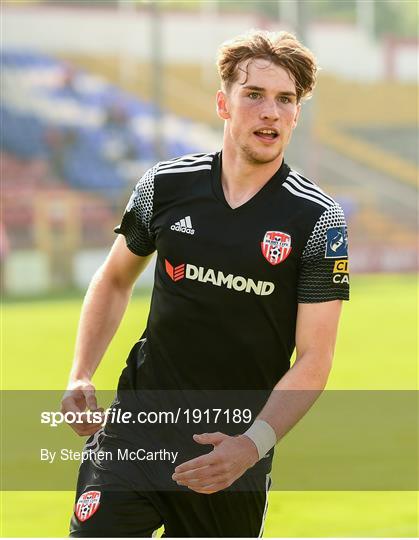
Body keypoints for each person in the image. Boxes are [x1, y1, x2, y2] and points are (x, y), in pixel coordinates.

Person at [62, 30, 349, 538]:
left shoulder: (318, 219)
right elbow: (112, 279)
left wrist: (251, 445)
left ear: (297, 114)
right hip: (136, 428)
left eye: (286, 100)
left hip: (227, 448)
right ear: (223, 103)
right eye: (254, 95)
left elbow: (315, 358)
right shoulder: (164, 186)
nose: (271, 112)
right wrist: (82, 373)